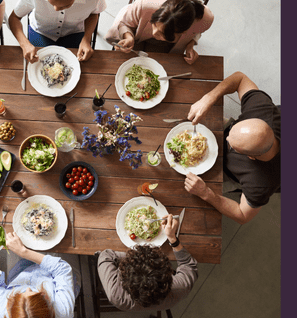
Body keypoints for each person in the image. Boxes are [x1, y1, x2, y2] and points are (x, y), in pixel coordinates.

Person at [185, 71, 281, 224]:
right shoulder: (263, 110)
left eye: (232, 145)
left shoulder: (261, 184)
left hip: (228, 172)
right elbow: (240, 78)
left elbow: (242, 215)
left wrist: (206, 193)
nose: (225, 139)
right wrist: (208, 98)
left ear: (251, 157)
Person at [97, 215, 198, 312]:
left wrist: (131, 259)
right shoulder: (180, 288)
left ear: (123, 278)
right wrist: (172, 239)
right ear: (168, 274)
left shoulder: (115, 294)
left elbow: (105, 256)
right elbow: (188, 265)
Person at [0, 231, 80, 318]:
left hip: (19, 270)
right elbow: (62, 269)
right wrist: (23, 252)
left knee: (12, 234)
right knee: (68, 236)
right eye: (34, 292)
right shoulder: (63, 311)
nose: (28, 288)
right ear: (46, 300)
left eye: (21, 293)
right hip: (55, 274)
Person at [104, 0, 213, 64]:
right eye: (155, 24)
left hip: (167, 46)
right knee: (126, 61)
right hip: (136, 32)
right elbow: (124, 23)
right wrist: (128, 37)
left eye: (162, 34)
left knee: (159, 63)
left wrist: (190, 44)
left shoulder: (206, 19)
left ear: (183, 32)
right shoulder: (145, 5)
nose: (154, 32)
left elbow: (197, 33)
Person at [8, 0, 107, 62]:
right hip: (40, 32)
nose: (56, 9)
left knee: (80, 67)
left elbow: (94, 14)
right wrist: (24, 44)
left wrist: (86, 39)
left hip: (74, 32)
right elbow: (14, 18)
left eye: (66, 5)